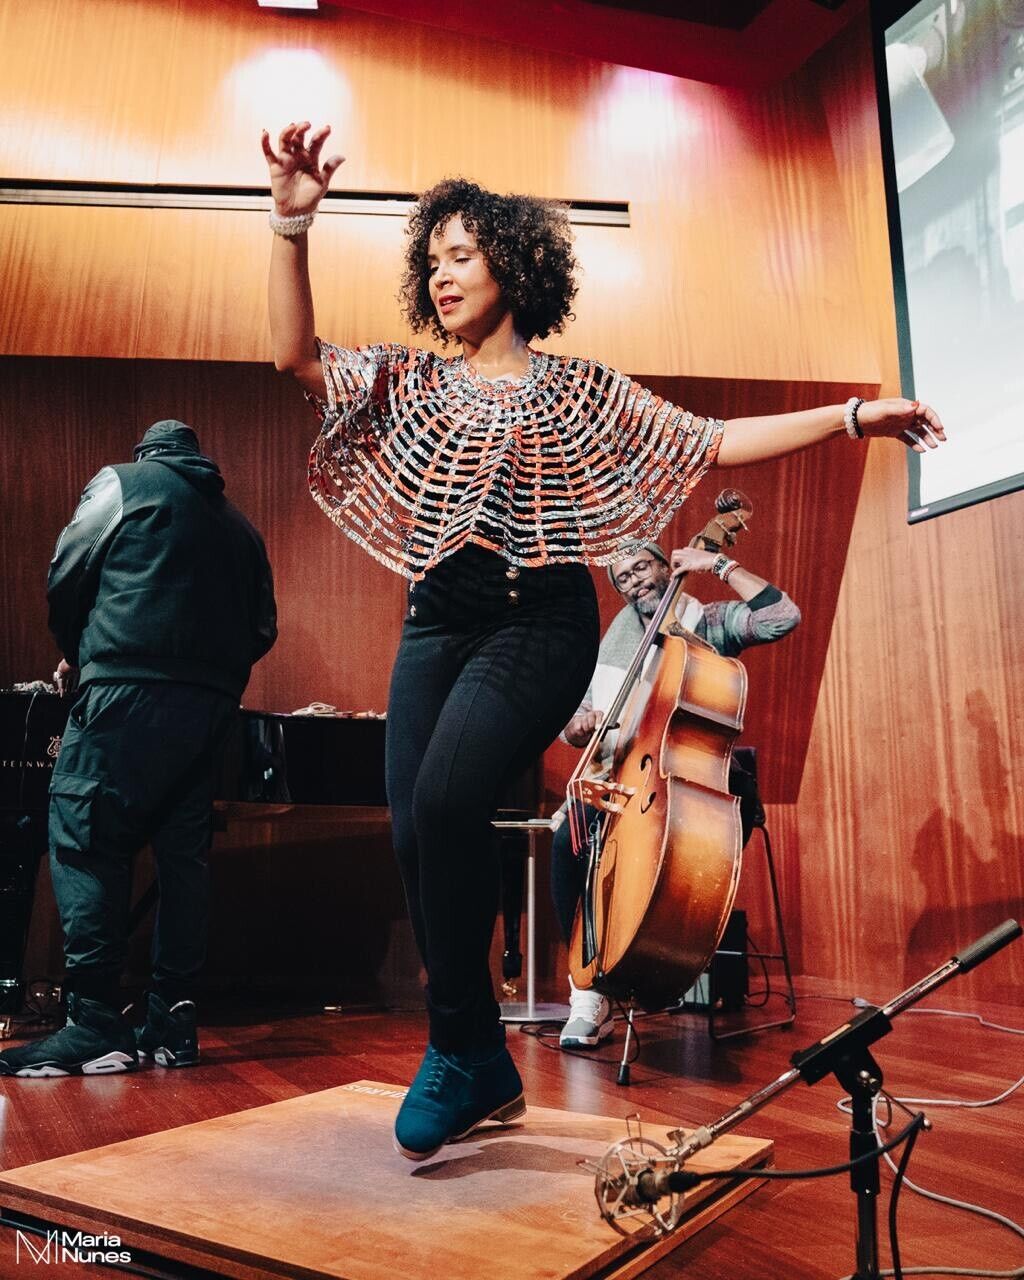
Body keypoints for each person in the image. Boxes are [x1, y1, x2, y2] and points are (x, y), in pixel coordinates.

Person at [260, 120, 944, 1160]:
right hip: (436, 620)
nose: (442, 275)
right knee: (413, 828)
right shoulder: (411, 381)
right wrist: (288, 227)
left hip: (536, 619)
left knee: (448, 800)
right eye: (431, 259)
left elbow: (710, 440)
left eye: (463, 254)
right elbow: (295, 357)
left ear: (513, 265)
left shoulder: (580, 389)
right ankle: (482, 1061)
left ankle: (456, 1052)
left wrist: (853, 416)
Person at [0, 422, 277, 1079]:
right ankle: (172, 1025)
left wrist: (83, 651)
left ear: (146, 454)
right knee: (183, 859)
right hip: (210, 708)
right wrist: (209, 676)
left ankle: (94, 1022)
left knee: (82, 833)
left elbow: (67, 571)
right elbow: (264, 624)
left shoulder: (121, 483)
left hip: (124, 689)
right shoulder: (241, 528)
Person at [553, 540, 800, 1049]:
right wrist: (577, 726)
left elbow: (782, 617)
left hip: (691, 780)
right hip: (626, 775)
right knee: (566, 842)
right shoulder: (610, 644)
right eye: (622, 577)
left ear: (667, 566)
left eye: (641, 566)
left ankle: (650, 965)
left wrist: (720, 564)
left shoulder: (708, 623)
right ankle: (588, 989)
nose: (634, 581)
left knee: (669, 860)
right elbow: (575, 718)